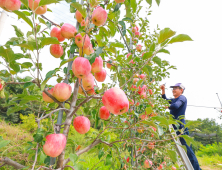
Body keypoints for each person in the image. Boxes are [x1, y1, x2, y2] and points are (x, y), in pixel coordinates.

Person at [160, 83, 201, 170]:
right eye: (173, 88)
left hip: (181, 128)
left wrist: (167, 106)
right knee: (180, 149)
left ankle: (197, 169)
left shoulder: (182, 98)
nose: (173, 90)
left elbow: (175, 106)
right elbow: (165, 100)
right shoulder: (174, 99)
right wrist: (163, 90)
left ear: (181, 90)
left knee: (187, 150)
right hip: (174, 127)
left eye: (175, 88)